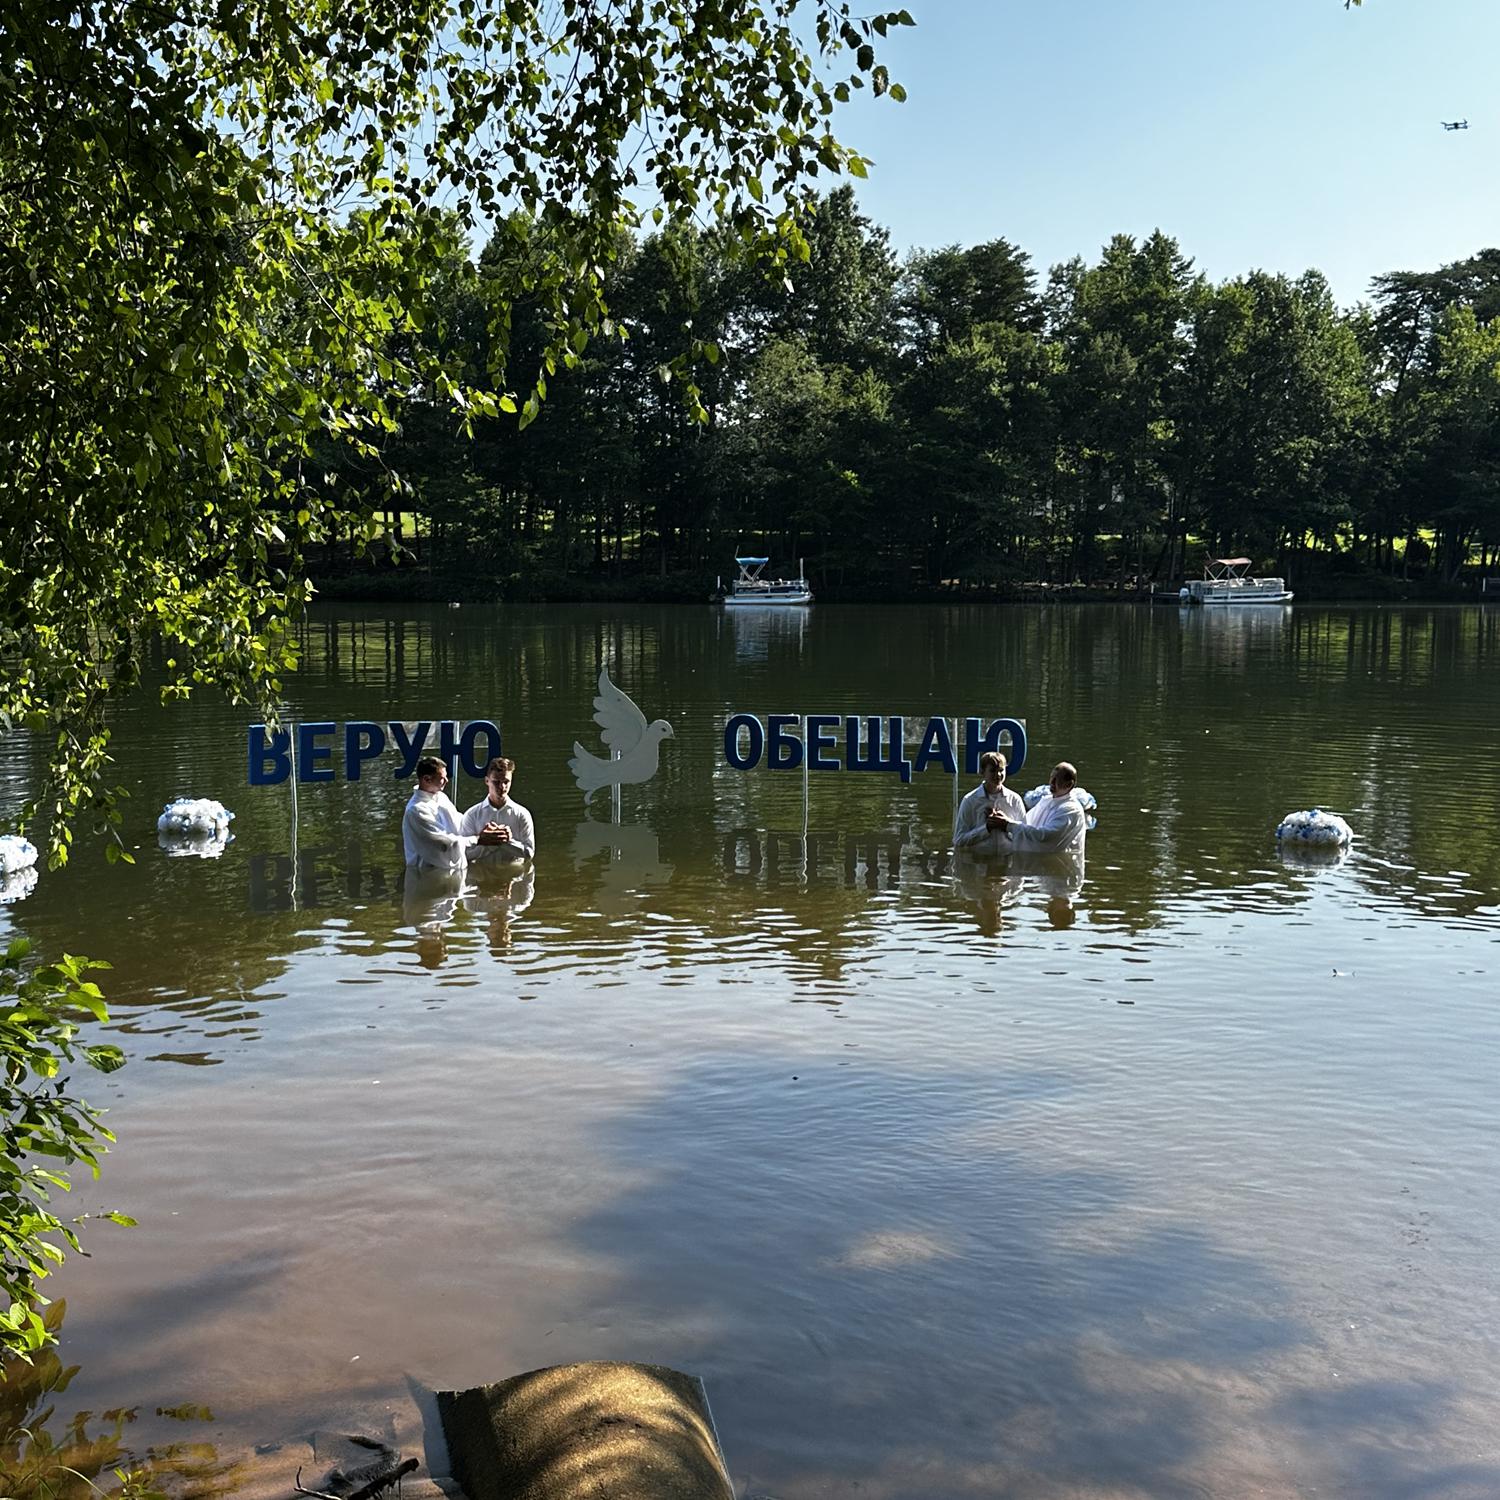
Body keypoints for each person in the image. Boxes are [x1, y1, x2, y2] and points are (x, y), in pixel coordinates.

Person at [402, 755, 502, 872]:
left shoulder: (441, 797)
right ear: (427, 779)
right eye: (442, 778)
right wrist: (478, 839)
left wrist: (483, 828)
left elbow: (460, 821)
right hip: (428, 874)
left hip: (455, 869)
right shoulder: (416, 810)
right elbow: (444, 843)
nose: (446, 781)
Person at [993, 761, 1088, 855]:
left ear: (1069, 785)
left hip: (1061, 866)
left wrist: (1009, 825)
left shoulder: (1071, 810)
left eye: (1057, 780)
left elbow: (1045, 836)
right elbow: (1026, 822)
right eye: (1051, 777)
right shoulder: (1047, 800)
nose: (1051, 782)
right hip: (1036, 865)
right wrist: (1000, 819)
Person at [460, 756, 535, 863]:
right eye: (496, 782)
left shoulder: (522, 814)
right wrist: (490, 842)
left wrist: (504, 841)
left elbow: (529, 853)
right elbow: (463, 854)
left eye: (506, 782)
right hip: (482, 877)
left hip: (512, 876)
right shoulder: (472, 814)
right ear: (487, 781)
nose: (502, 787)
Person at [953, 750, 1027, 855]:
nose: (998, 775)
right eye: (993, 771)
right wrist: (986, 828)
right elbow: (959, 841)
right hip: (979, 863)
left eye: (1001, 770)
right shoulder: (970, 800)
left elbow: (1025, 837)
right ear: (982, 772)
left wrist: (1006, 825)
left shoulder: (1015, 800)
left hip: (1007, 863)